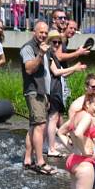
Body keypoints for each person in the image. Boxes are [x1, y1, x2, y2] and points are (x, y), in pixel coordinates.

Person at [44, 29, 87, 159]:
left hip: (57, 89)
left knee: (52, 119)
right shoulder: (48, 55)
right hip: (53, 89)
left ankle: (47, 145)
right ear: (49, 42)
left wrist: (76, 69)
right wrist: (74, 68)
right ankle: (51, 148)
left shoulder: (53, 55)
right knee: (52, 119)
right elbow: (56, 72)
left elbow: (64, 72)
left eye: (59, 43)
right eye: (54, 42)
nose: (57, 45)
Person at [20, 21, 55, 174]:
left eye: (46, 33)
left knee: (34, 126)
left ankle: (28, 159)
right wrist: (40, 54)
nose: (44, 35)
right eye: (41, 32)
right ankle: (40, 162)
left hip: (42, 92)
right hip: (33, 90)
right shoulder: (28, 48)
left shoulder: (45, 48)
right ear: (34, 32)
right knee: (40, 126)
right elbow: (29, 69)